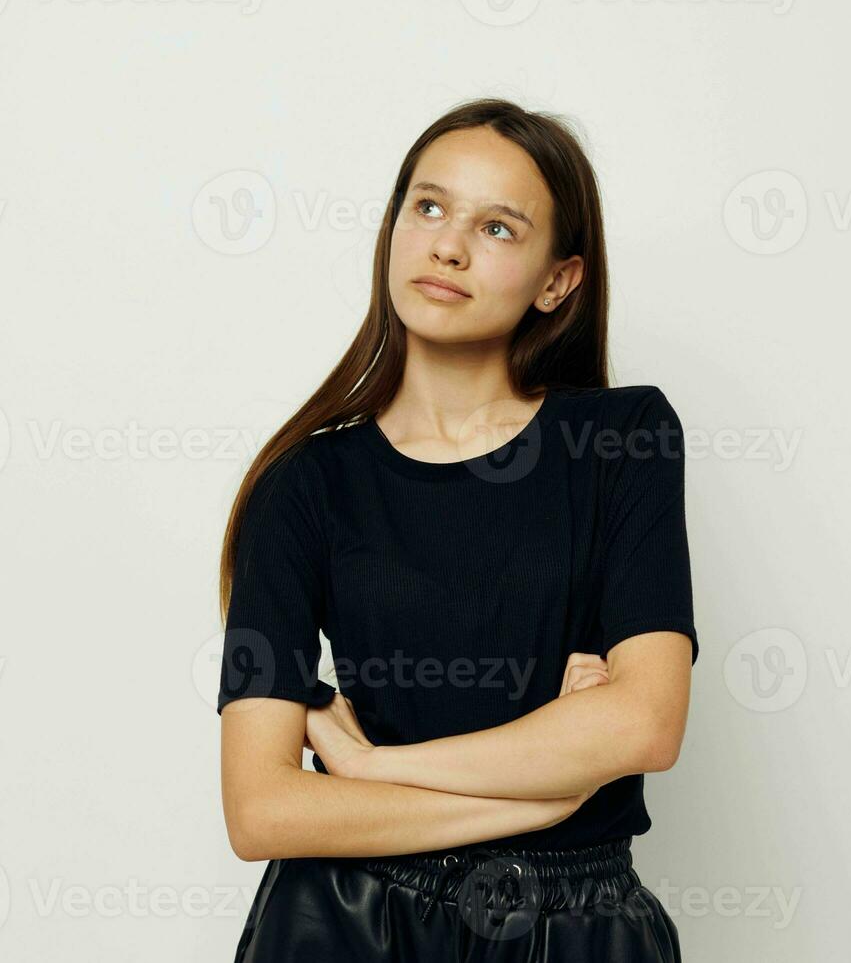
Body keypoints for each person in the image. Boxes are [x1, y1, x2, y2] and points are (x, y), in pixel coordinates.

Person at [215, 97, 697, 962]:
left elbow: (644, 727)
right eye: (428, 207)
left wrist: (368, 769)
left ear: (560, 280)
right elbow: (263, 810)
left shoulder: (623, 438)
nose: (448, 245)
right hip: (349, 923)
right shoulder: (303, 485)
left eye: (500, 227)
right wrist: (546, 790)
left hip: (578, 928)